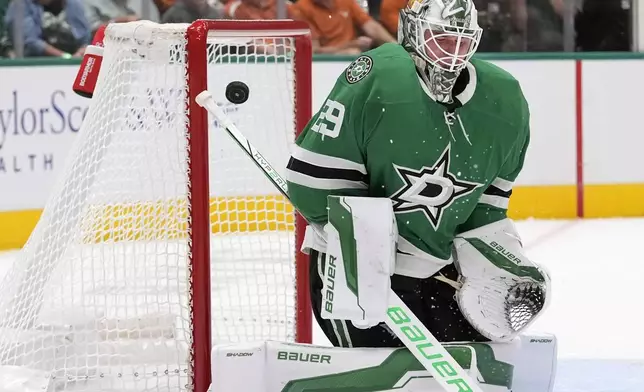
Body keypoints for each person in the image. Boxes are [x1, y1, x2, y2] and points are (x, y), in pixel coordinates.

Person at [286, 0, 551, 350]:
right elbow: (310, 184)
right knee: (383, 364)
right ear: (413, 32)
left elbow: (486, 208)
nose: (451, 55)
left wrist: (496, 260)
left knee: (471, 357)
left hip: (439, 271)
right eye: (441, 39)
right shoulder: (379, 79)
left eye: (461, 42)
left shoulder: (505, 101)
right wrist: (368, 248)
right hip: (354, 270)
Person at [4, 0, 90, 57]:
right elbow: (31, 42)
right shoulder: (20, 5)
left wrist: (80, 52)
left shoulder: (74, 3)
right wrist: (65, 57)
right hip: (33, 63)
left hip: (72, 59)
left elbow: (85, 38)